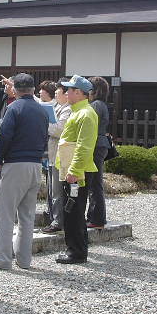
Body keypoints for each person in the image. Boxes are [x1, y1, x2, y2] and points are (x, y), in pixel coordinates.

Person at [0, 73, 48, 270]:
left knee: (4, 214)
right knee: (27, 216)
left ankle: (2, 259)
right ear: (33, 89)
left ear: (15, 90)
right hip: (36, 165)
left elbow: (4, 137)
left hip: (15, 164)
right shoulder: (42, 110)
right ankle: (24, 259)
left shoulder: (14, 108)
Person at [55, 75, 98, 264]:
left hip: (77, 172)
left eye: (70, 90)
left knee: (73, 211)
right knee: (73, 211)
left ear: (79, 93)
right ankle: (76, 249)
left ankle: (76, 252)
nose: (66, 93)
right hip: (72, 169)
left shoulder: (86, 114)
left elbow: (84, 146)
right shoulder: (78, 111)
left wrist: (74, 171)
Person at [41, 79, 72, 233]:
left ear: (65, 94)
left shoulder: (68, 110)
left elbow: (59, 130)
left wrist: (44, 123)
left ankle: (58, 221)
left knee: (57, 191)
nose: (55, 93)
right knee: (52, 189)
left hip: (60, 154)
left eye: (58, 91)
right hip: (53, 153)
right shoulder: (58, 106)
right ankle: (53, 217)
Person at [86, 76, 110, 229]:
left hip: (95, 144)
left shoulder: (95, 105)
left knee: (94, 184)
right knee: (96, 183)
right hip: (101, 144)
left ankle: (97, 218)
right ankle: (96, 217)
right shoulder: (102, 105)